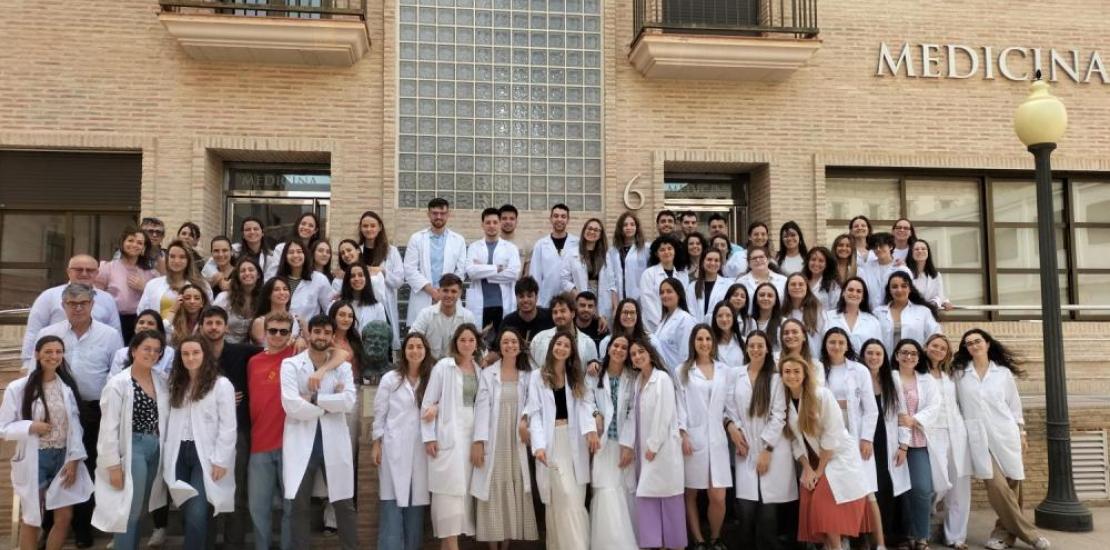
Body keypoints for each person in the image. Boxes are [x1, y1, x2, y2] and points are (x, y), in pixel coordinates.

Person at [35, 283, 123, 547]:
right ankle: (48, 527)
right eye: (72, 304)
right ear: (63, 306)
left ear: (92, 305)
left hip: (94, 409)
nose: (78, 308)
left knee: (88, 467)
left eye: (83, 303)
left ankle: (83, 527)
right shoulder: (49, 333)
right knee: (56, 468)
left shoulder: (109, 335)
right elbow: (35, 371)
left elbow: (116, 372)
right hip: (55, 410)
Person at [952, 330, 1050, 550]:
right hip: (977, 437)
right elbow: (955, 405)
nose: (974, 345)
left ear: (987, 344)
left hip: (1005, 433)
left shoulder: (1002, 373)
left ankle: (1002, 536)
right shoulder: (959, 374)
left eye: (977, 341)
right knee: (997, 486)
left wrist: (1022, 433)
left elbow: (1014, 405)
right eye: (969, 343)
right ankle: (1031, 535)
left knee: (1013, 484)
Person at [1, 336, 93, 550]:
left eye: (58, 352)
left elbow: (75, 427)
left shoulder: (67, 388)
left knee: (64, 517)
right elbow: (3, 427)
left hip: (63, 458)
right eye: (48, 352)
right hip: (36, 458)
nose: (54, 356)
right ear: (37, 354)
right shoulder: (18, 388)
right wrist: (31, 426)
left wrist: (74, 459)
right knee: (33, 518)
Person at [281, 315, 359, 549]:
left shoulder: (343, 367)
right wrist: (330, 405)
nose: (321, 336)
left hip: (333, 442)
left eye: (326, 332)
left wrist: (314, 399)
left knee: (344, 504)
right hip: (301, 441)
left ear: (333, 336)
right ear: (309, 334)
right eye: (317, 331)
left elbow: (348, 402)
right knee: (299, 505)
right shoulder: (291, 365)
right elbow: (291, 405)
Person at [781, 356, 871, 550]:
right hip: (813, 461)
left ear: (805, 374)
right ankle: (833, 546)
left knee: (824, 505)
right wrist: (807, 469)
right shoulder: (784, 402)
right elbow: (795, 441)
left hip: (838, 456)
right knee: (814, 505)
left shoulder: (821, 395)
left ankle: (837, 547)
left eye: (796, 371)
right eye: (787, 371)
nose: (792, 376)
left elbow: (832, 433)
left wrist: (819, 470)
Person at [92, 331, 170, 550]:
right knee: (129, 508)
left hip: (156, 447)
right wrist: (113, 465)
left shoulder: (162, 380)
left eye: (157, 350)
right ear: (134, 350)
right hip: (133, 447)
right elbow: (108, 428)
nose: (152, 353)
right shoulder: (118, 384)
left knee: (144, 505)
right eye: (147, 348)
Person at [526, 330, 599, 550]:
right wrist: (539, 446)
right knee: (560, 497)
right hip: (551, 442)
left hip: (574, 440)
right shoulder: (537, 376)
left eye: (566, 346)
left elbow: (587, 404)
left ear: (571, 351)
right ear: (552, 347)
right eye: (558, 344)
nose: (561, 348)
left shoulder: (576, 376)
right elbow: (535, 413)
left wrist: (591, 430)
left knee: (574, 499)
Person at [162, 335, 237, 549]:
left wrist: (221, 460)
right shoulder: (176, 384)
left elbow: (228, 426)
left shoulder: (221, 385)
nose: (190, 357)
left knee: (196, 512)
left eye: (195, 352)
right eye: (185, 354)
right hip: (178, 452)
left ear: (205, 355)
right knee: (187, 509)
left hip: (206, 454)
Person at [726, 330, 795, 549]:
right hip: (744, 447)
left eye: (760, 345)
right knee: (745, 509)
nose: (756, 349)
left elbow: (779, 415)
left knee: (768, 512)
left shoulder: (775, 378)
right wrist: (734, 429)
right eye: (752, 345)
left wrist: (767, 449)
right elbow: (729, 406)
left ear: (767, 349)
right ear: (746, 349)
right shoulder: (736, 374)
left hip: (770, 449)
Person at [472, 327, 539, 546]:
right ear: (499, 347)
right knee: (493, 482)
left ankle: (507, 542)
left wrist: (525, 420)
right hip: (495, 437)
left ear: (520, 346)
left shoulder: (529, 374)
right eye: (505, 342)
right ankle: (493, 543)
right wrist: (479, 441)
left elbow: (533, 402)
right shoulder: (488, 374)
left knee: (515, 480)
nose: (510, 345)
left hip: (516, 438)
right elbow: (482, 408)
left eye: (513, 342)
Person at [200, 306, 260, 547]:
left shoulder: (242, 351)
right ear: (201, 327)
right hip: (203, 433)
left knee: (237, 491)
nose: (213, 327)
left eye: (218, 323)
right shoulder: (193, 354)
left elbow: (275, 352)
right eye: (209, 323)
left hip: (238, 431)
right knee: (205, 492)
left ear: (226, 327)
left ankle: (233, 545)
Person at [819, 329, 885, 549]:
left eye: (841, 342)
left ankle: (880, 544)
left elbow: (871, 409)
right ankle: (840, 542)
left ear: (847, 346)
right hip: (829, 438)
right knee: (835, 492)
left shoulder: (859, 370)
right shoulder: (818, 369)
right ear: (825, 345)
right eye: (832, 342)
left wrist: (866, 439)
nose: (836, 346)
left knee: (868, 492)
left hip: (856, 436)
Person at [420, 324, 484, 549]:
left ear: (477, 344)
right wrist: (429, 437)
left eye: (471, 340)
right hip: (447, 440)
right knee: (447, 505)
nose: (467, 344)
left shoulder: (479, 370)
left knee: (460, 507)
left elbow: (477, 406)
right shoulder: (443, 367)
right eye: (462, 340)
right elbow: (428, 403)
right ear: (455, 342)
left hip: (469, 441)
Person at [620, 338, 687, 550]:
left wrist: (654, 445)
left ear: (650, 353)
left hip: (661, 449)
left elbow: (664, 414)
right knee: (648, 498)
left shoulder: (663, 379)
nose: (637, 356)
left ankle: (673, 544)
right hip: (644, 449)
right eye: (633, 354)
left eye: (641, 351)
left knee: (667, 498)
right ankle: (654, 544)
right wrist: (630, 445)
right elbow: (633, 415)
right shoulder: (638, 381)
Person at [373, 332, 435, 550]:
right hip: (393, 448)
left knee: (415, 506)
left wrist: (436, 408)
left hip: (421, 450)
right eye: (410, 346)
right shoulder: (390, 379)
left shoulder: (432, 379)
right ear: (404, 351)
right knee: (391, 504)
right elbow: (379, 413)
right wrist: (376, 443)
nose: (415, 351)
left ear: (426, 351)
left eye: (419, 346)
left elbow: (444, 404)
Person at [677, 325, 733, 550]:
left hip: (717, 438)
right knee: (690, 492)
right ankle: (699, 540)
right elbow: (680, 405)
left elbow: (729, 404)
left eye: (708, 338)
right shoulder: (682, 370)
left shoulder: (724, 370)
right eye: (699, 339)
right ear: (693, 342)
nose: (704, 343)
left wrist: (733, 428)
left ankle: (715, 537)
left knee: (718, 495)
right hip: (693, 437)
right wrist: (683, 434)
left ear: (713, 342)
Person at [246, 311, 297, 550]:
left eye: (283, 331)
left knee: (291, 508)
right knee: (258, 509)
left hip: (291, 446)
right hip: (259, 444)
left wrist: (303, 337)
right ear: (265, 332)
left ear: (290, 334)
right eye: (273, 330)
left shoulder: (298, 356)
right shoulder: (253, 362)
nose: (277, 335)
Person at [586, 335, 638, 550]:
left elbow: (634, 412)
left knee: (625, 492)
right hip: (604, 443)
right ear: (608, 349)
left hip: (625, 444)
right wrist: (596, 414)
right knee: (606, 490)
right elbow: (586, 400)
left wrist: (629, 445)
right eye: (615, 345)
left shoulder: (633, 377)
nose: (619, 350)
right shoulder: (595, 374)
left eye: (624, 347)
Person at [891, 339, 943, 550]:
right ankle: (905, 536)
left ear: (919, 357)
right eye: (904, 352)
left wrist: (913, 420)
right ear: (896, 355)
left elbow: (935, 406)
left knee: (922, 488)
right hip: (893, 441)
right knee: (900, 491)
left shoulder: (926, 380)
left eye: (913, 353)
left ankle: (921, 536)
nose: (908, 357)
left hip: (918, 441)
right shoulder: (890, 377)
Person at [23, 254, 122, 365]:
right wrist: (27, 362)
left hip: (94, 362)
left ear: (97, 273)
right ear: (68, 271)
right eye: (79, 269)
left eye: (89, 270)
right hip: (56, 362)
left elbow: (116, 332)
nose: (84, 273)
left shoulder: (107, 299)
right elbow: (33, 331)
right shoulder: (49, 296)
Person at [859, 339, 910, 550]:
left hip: (888, 441)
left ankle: (888, 538)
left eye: (878, 354)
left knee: (887, 488)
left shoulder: (892, 379)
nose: (874, 357)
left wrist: (904, 445)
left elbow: (902, 414)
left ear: (884, 357)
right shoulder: (857, 377)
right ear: (863, 356)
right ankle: (866, 538)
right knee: (869, 489)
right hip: (865, 440)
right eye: (869, 353)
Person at [924, 333, 971, 550]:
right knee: (937, 481)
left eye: (943, 348)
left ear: (947, 354)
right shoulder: (918, 373)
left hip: (957, 431)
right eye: (934, 346)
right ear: (926, 347)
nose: (938, 350)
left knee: (960, 485)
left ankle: (956, 536)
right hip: (932, 433)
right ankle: (926, 520)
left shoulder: (950, 375)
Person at [404, 197, 468, 326]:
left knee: (451, 334)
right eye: (435, 213)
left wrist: (445, 291)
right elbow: (409, 269)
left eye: (442, 213)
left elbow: (461, 270)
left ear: (448, 214)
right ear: (428, 214)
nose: (439, 216)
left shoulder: (458, 240)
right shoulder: (416, 238)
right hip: (423, 295)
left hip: (449, 297)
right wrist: (433, 292)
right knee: (421, 333)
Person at [96, 226, 158, 343]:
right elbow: (97, 296)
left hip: (140, 322)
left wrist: (144, 288)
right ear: (123, 243)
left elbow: (156, 299)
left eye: (139, 243)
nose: (134, 245)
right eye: (130, 240)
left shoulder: (151, 273)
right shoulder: (108, 267)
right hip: (113, 319)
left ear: (144, 248)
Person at [465, 208, 522, 336]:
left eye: (495, 222)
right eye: (488, 222)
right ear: (482, 224)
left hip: (503, 304)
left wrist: (483, 272)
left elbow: (514, 273)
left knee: (503, 340)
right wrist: (497, 268)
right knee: (480, 340)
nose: (491, 226)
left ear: (500, 223)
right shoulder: (474, 247)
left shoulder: (510, 248)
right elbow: (471, 272)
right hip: (480, 304)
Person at [356, 211, 407, 349]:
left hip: (384, 306)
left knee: (383, 345)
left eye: (373, 225)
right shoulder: (357, 251)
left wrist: (383, 271)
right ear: (361, 228)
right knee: (361, 343)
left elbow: (399, 281)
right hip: (362, 303)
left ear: (379, 227)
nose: (369, 229)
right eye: (365, 226)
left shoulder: (391, 251)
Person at [137, 240, 212, 321]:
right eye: (172, 256)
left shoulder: (202, 285)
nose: (176, 261)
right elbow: (142, 312)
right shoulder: (153, 284)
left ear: (188, 260)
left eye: (182, 257)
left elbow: (209, 314)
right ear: (167, 259)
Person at [411, 273, 477, 361]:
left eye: (453, 291)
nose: (449, 295)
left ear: (460, 293)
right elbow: (412, 339)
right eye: (445, 290)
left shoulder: (468, 317)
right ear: (439, 291)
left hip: (458, 365)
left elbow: (474, 345)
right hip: (429, 365)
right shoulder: (425, 314)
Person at [561, 217, 617, 321]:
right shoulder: (572, 253)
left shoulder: (605, 255)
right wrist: (579, 296)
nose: (592, 232)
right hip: (580, 299)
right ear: (584, 230)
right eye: (589, 228)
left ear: (600, 235)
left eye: (596, 230)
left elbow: (612, 284)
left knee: (600, 327)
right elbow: (564, 280)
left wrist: (615, 307)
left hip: (602, 302)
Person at [875, 271, 942, 352]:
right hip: (885, 359)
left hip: (914, 358)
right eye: (894, 287)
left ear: (910, 289)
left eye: (904, 286)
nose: (899, 290)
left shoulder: (923, 312)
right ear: (889, 290)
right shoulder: (878, 313)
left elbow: (936, 337)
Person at [529, 292, 600, 368]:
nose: (558, 315)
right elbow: (531, 367)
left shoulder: (588, 343)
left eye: (563, 311)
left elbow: (592, 372)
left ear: (573, 313)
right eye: (555, 312)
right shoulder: (539, 339)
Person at [530, 203, 579, 307]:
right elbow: (535, 274)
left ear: (568, 220)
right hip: (546, 300)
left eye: (563, 216)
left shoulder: (577, 243)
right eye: (556, 216)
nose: (559, 219)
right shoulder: (541, 245)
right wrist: (537, 302)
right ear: (551, 219)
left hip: (571, 299)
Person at [639, 234, 690, 332]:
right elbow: (647, 303)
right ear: (656, 254)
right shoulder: (648, 274)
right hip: (654, 326)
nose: (666, 252)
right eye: (662, 250)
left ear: (675, 251)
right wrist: (663, 324)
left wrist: (677, 323)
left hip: (679, 326)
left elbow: (685, 300)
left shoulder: (683, 275)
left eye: (669, 248)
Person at [276, 239, 333, 325]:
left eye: (299, 252)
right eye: (291, 252)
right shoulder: (277, 280)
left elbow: (329, 309)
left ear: (305, 255)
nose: (295, 255)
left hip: (307, 331)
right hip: (279, 330)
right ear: (285, 257)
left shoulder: (319, 279)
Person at [823, 277, 883, 353]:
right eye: (850, 290)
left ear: (863, 297)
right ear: (843, 293)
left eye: (859, 291)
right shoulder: (827, 317)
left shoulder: (873, 321)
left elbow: (878, 349)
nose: (854, 294)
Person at [108, 310, 175, 378]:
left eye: (150, 323)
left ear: (158, 329)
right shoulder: (121, 353)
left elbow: (170, 380)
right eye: (141, 322)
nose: (145, 326)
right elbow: (112, 378)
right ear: (135, 328)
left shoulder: (169, 353)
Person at [650, 278, 698, 370]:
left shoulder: (685, 319)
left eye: (669, 291)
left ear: (678, 294)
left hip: (679, 372)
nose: (664, 295)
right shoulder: (664, 320)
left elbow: (686, 354)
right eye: (662, 292)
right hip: (665, 371)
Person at [212, 257, 262, 344]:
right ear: (238, 276)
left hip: (253, 346)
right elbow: (212, 320)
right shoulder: (224, 297)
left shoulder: (264, 298)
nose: (247, 273)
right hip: (226, 344)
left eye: (251, 270)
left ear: (258, 275)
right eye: (243, 271)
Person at [858, 232, 912, 312]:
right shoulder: (866, 268)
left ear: (890, 246)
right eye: (875, 247)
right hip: (869, 313)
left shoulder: (901, 269)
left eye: (881, 246)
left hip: (895, 313)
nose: (878, 249)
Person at [267, 212, 322, 280]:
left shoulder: (316, 252)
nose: (306, 227)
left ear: (315, 230)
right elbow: (272, 274)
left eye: (310, 225)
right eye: (303, 224)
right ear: (298, 225)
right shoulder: (281, 248)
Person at [500, 277, 555, 345]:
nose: (525, 300)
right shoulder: (508, 322)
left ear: (536, 297)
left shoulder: (549, 317)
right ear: (516, 298)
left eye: (529, 296)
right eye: (521, 296)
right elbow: (497, 347)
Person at [336, 262, 388, 333]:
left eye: (360, 275)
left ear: (367, 279)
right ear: (347, 280)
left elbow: (382, 332)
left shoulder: (378, 307)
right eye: (352, 276)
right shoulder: (337, 304)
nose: (356, 279)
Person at [609, 211, 650, 301]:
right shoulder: (613, 251)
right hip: (619, 297)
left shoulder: (646, 249)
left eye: (632, 224)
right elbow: (611, 279)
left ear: (637, 227)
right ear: (620, 228)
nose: (629, 227)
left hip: (641, 297)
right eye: (625, 225)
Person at [782, 272, 825, 355]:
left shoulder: (818, 311)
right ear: (787, 288)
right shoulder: (782, 312)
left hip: (813, 357)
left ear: (807, 288)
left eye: (801, 284)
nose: (797, 287)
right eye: (793, 284)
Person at [250, 277, 301, 345]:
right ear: (268, 295)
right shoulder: (260, 322)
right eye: (276, 290)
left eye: (285, 289)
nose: (282, 292)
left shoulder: (295, 318)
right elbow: (263, 347)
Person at [688, 249, 732, 322]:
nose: (712, 263)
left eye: (716, 260)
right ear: (702, 262)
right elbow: (690, 311)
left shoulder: (729, 284)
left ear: (720, 264)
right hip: (696, 327)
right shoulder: (692, 287)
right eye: (709, 259)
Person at [909, 239, 953, 310]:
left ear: (928, 252)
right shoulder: (905, 273)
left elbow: (939, 295)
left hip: (929, 313)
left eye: (923, 249)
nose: (920, 251)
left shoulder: (936, 275)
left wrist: (935, 303)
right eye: (916, 249)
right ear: (911, 253)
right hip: (910, 312)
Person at [804, 246, 841, 311]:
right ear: (808, 261)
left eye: (821, 261)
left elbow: (835, 309)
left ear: (827, 264)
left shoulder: (833, 286)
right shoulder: (800, 280)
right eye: (813, 259)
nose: (816, 264)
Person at [750, 283, 783, 350]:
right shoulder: (748, 322)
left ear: (775, 300)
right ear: (756, 299)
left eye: (770, 296)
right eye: (762, 295)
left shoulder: (783, 323)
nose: (765, 298)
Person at [710, 301, 744, 366]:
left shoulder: (743, 342)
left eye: (728, 315)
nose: (724, 319)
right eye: (720, 316)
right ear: (715, 318)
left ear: (733, 317)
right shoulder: (709, 343)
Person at [499, 204, 530, 270]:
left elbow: (527, 271)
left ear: (516, 221)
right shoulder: (491, 243)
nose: (508, 222)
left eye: (512, 219)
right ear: (499, 221)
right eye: (504, 218)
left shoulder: (525, 244)